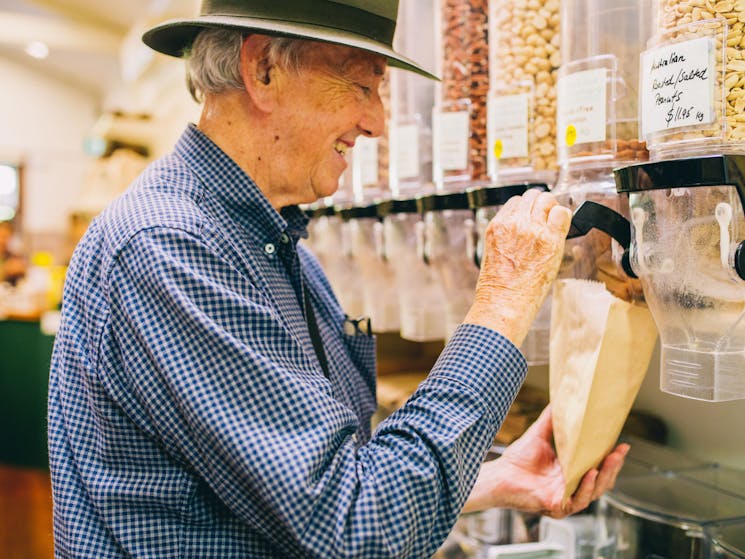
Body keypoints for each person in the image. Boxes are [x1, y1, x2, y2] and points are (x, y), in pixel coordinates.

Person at [47, 2, 629, 557]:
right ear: (263, 70)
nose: (375, 121)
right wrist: (503, 302)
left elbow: (311, 488)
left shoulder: (275, 245)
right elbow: (354, 527)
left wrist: (490, 479)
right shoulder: (171, 247)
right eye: (361, 85)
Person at [0, 219, 26, 285]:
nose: (3, 240)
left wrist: (22, 270)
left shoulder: (11, 256)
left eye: (6, 237)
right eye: (1, 236)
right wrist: (5, 269)